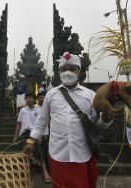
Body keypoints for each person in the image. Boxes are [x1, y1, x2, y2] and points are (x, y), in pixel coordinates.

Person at [24, 52, 115, 188]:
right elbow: (42, 121)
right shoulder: (51, 94)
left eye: (72, 69)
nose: (67, 72)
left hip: (83, 153)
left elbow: (99, 124)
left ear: (79, 71)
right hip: (59, 154)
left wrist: (107, 116)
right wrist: (31, 140)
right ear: (59, 71)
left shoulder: (91, 95)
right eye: (63, 69)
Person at [35, 91, 51, 184]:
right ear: (37, 98)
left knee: (47, 154)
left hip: (47, 134)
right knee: (40, 154)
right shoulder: (35, 108)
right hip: (37, 135)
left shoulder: (49, 108)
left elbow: (50, 121)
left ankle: (48, 173)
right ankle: (45, 174)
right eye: (40, 97)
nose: (42, 99)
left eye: (43, 97)